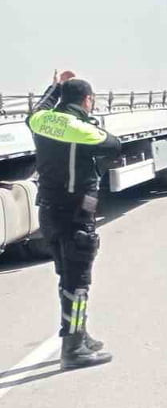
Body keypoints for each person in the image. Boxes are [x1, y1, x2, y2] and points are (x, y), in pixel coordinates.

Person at [27, 71, 122, 370]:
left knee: (66, 278)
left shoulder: (41, 121)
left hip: (49, 213)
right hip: (76, 215)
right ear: (87, 100)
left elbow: (37, 110)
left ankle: (78, 333)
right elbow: (113, 144)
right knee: (78, 283)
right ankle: (74, 349)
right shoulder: (80, 128)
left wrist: (54, 86)